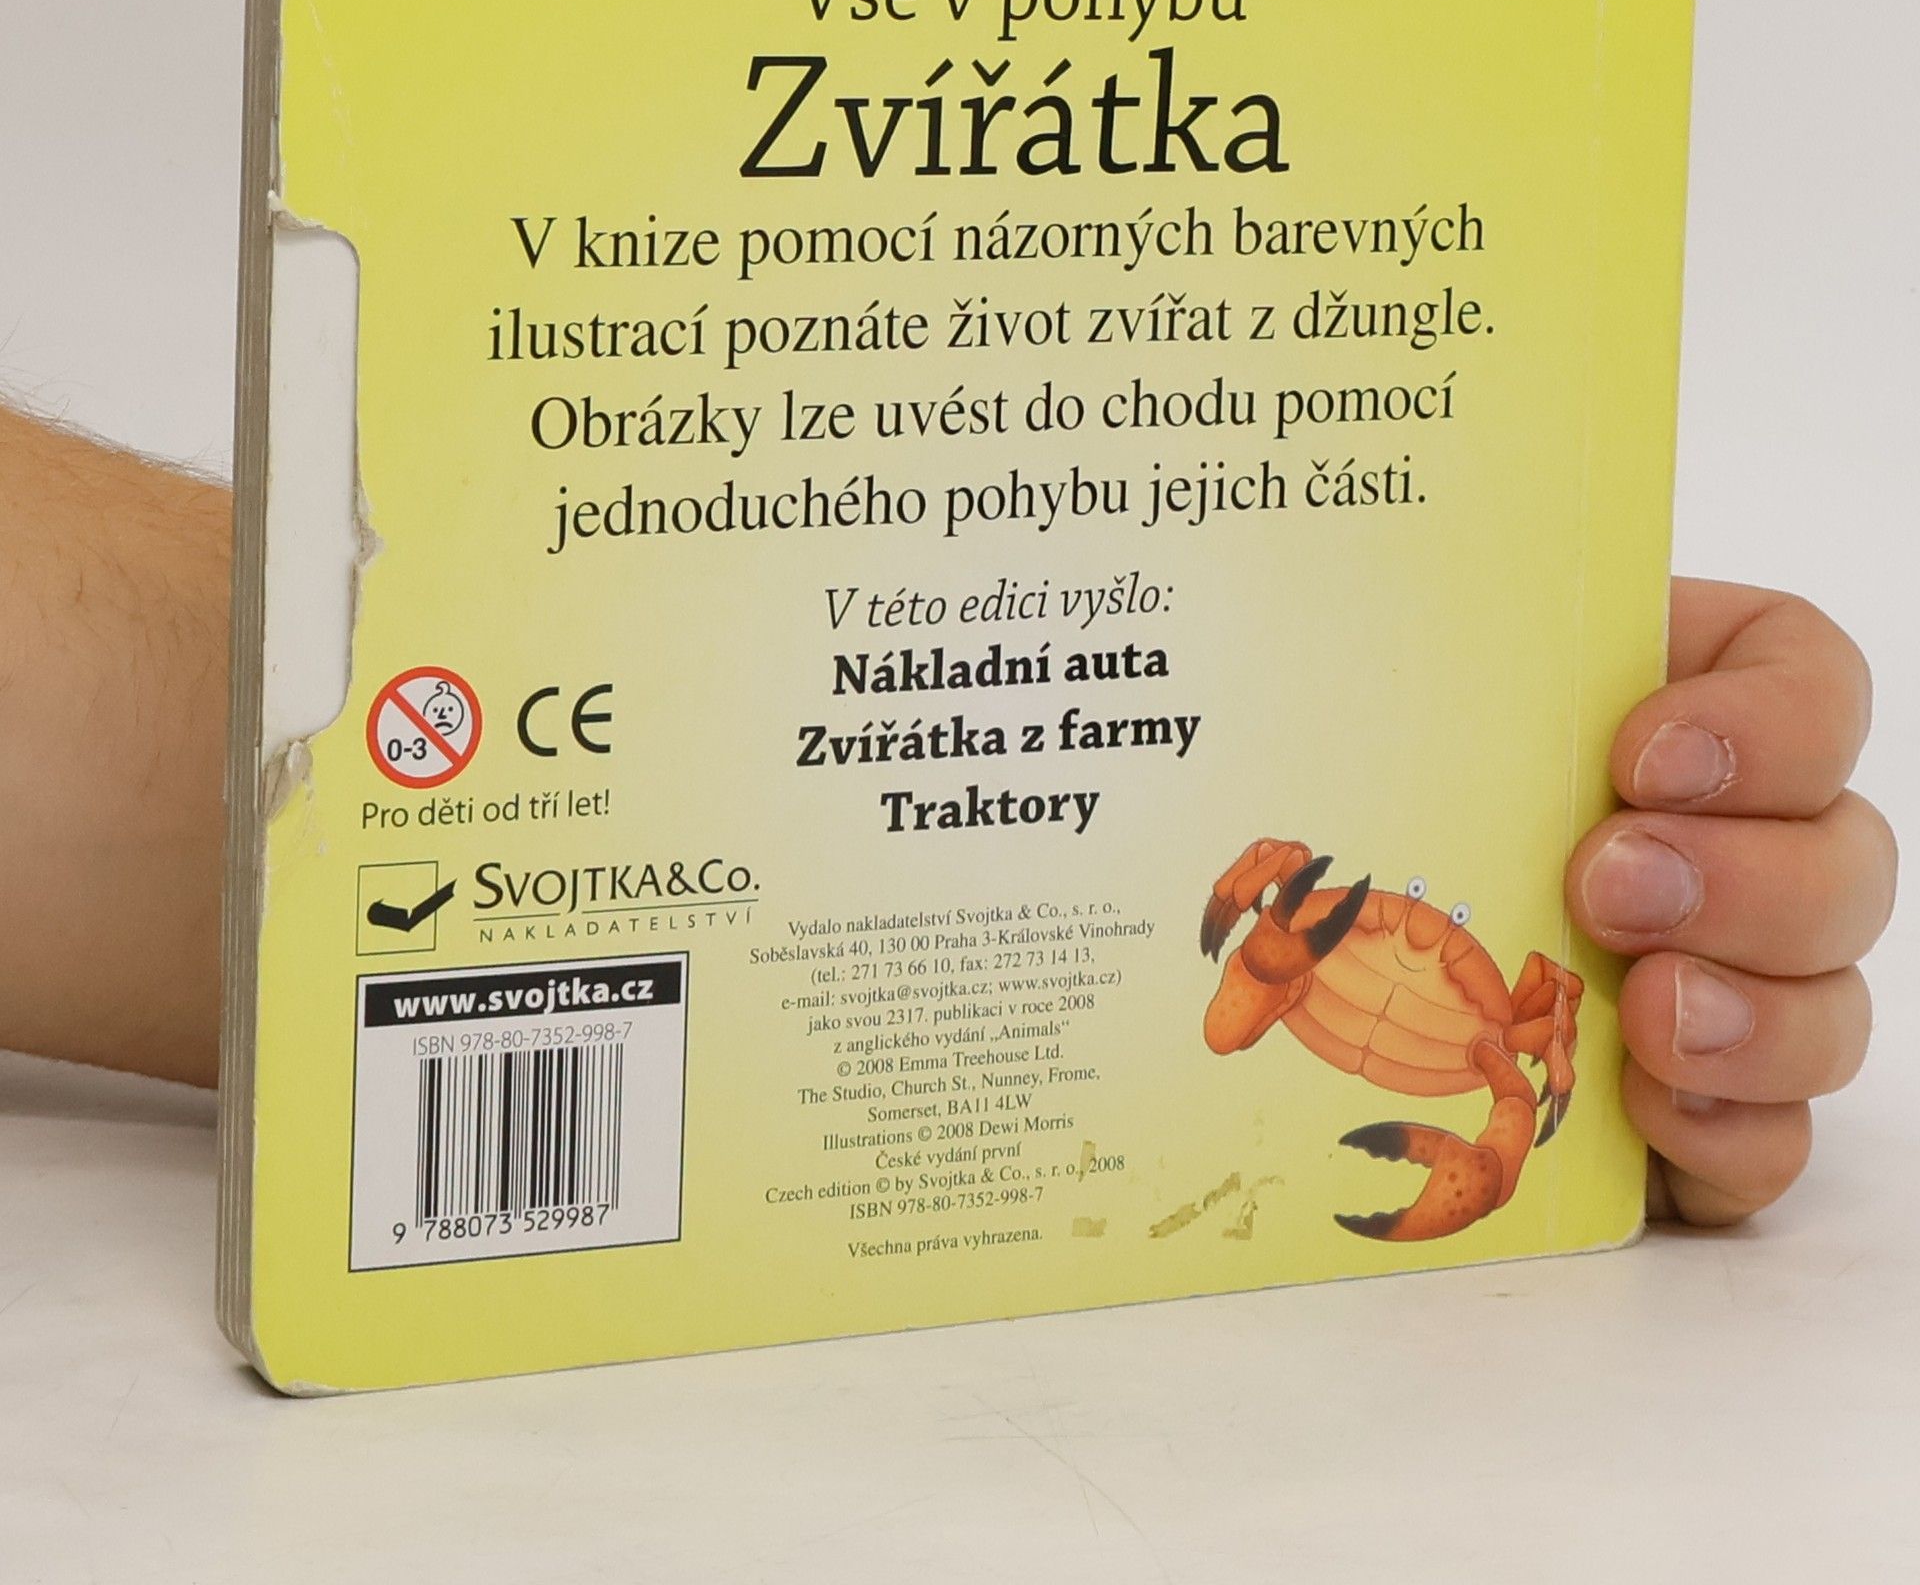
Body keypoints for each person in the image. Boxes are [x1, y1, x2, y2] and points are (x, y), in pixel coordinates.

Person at [0, 400, 1895, 1226]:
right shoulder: (1296, 938)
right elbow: (1238, 998)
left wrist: (1490, 731)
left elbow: (1277, 1011)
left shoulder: (1448, 986)